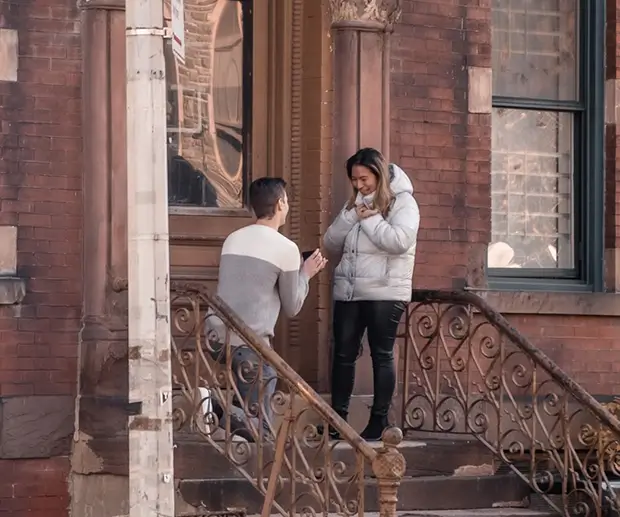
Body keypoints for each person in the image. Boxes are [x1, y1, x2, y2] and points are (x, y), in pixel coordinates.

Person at [207, 177, 327, 441]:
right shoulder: (286, 248)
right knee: (262, 427)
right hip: (247, 344)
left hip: (214, 336)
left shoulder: (232, 239)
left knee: (249, 398)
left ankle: (224, 412)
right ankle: (215, 409)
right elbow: (292, 306)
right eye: (287, 200)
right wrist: (305, 274)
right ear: (281, 203)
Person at [323, 148, 420, 440]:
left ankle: (379, 422)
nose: (359, 185)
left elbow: (400, 241)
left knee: (381, 354)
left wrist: (369, 219)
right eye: (354, 180)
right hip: (349, 291)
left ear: (378, 174)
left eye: (364, 179)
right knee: (342, 354)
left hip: (385, 292)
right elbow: (330, 242)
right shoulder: (356, 203)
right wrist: (353, 215)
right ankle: (337, 421)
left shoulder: (403, 202)